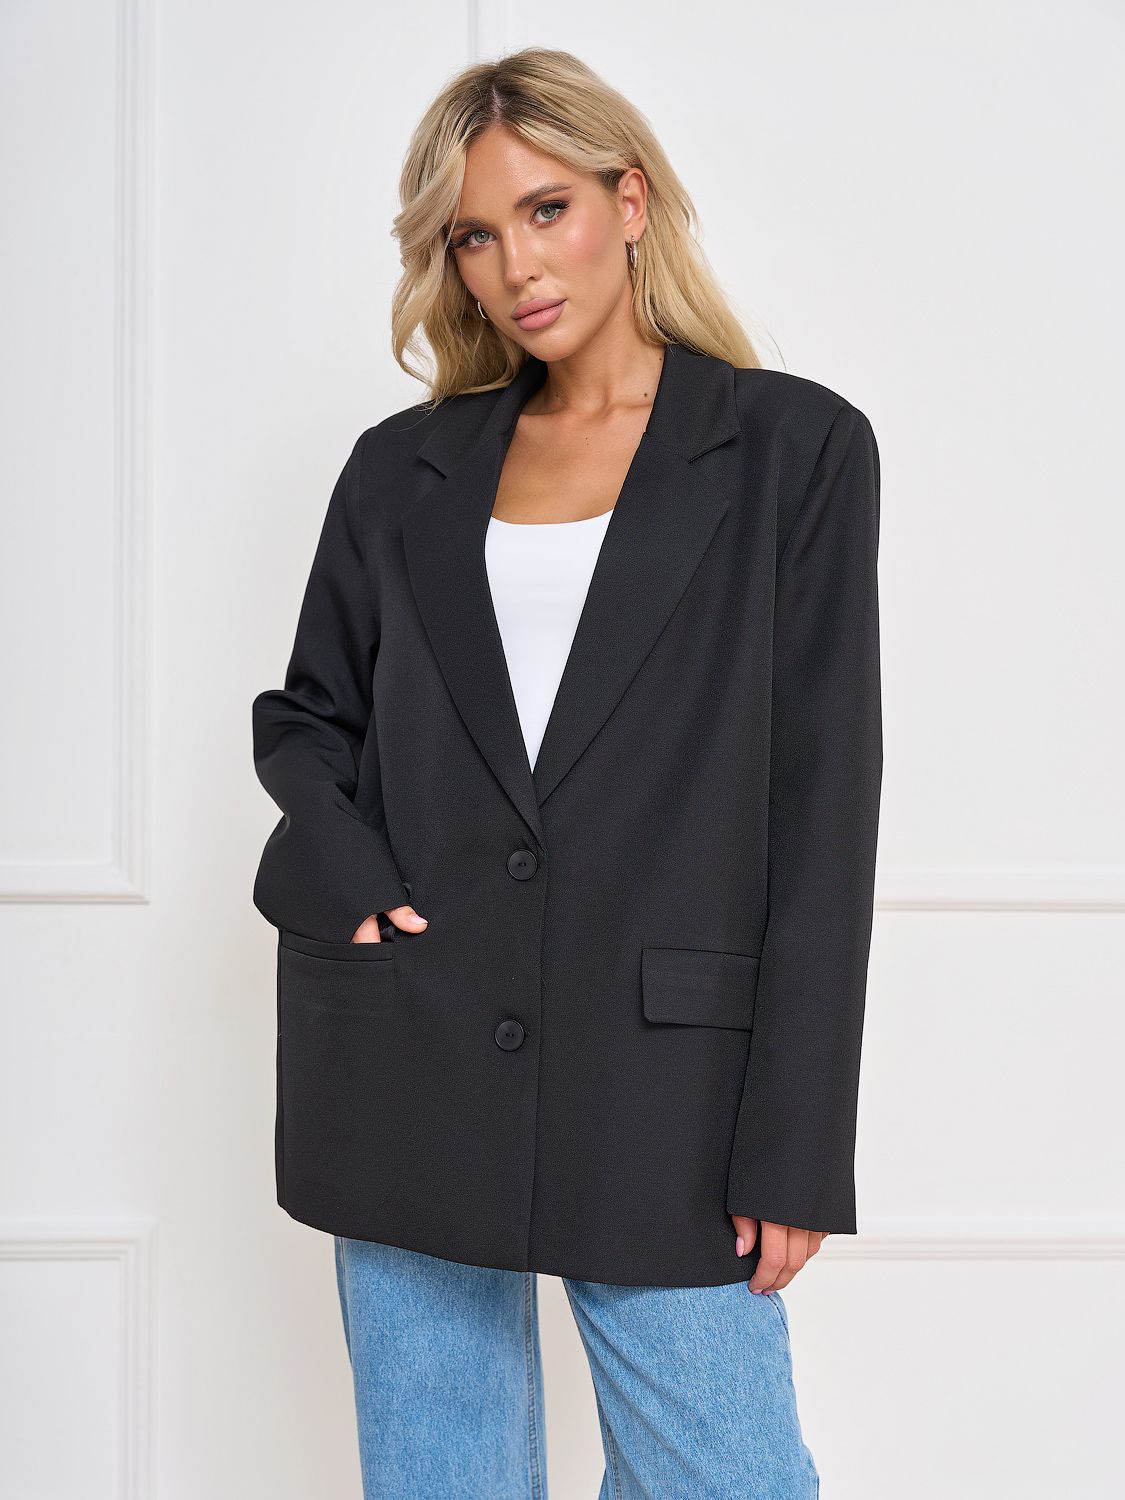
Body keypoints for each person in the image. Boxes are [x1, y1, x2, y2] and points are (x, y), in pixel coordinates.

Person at [251, 45, 882, 1500]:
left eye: (546, 210)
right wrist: (343, 881)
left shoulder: (792, 452)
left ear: (630, 200)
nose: (515, 265)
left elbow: (823, 803)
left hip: (669, 1074)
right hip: (408, 1041)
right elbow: (308, 718)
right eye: (475, 236)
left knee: (729, 1476)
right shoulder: (401, 470)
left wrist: (795, 1145)